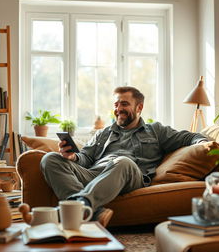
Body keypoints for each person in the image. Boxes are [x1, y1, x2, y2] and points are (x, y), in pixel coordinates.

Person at [40, 86, 208, 227]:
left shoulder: (155, 130)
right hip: (96, 174)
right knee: (50, 159)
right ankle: (88, 210)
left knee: (122, 162)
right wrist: (72, 158)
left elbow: (189, 137)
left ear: (139, 107)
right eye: (117, 104)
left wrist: (203, 143)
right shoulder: (104, 133)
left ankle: (78, 208)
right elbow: (85, 157)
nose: (118, 109)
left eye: (124, 104)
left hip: (130, 174)